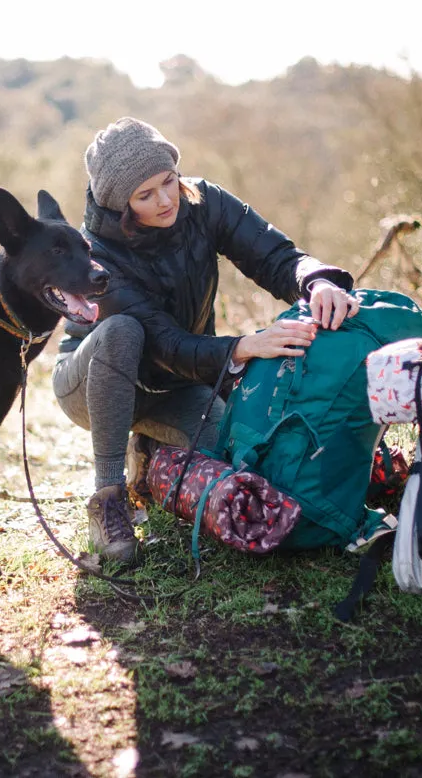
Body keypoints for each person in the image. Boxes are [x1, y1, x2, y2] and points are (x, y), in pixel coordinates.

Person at [53, 117, 357, 565]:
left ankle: (150, 461)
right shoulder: (97, 253)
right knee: (121, 331)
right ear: (121, 205)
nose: (165, 199)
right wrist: (243, 346)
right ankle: (109, 497)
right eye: (145, 195)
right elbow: (163, 342)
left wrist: (315, 282)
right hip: (93, 383)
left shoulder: (202, 200)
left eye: (168, 181)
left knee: (242, 459)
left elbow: (274, 255)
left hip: (179, 382)